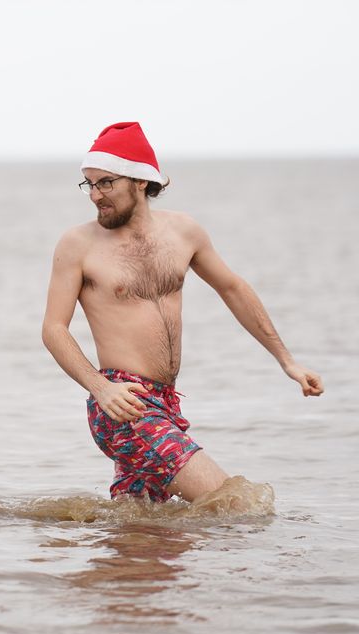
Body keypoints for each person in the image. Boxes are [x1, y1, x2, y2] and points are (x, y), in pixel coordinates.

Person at [41, 122, 323, 503]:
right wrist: (100, 387)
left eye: (105, 182)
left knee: (146, 539)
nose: (94, 195)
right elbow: (54, 329)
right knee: (236, 506)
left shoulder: (184, 232)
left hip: (166, 400)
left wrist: (287, 361)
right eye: (88, 184)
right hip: (123, 403)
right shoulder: (78, 244)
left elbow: (233, 288)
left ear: (140, 180)